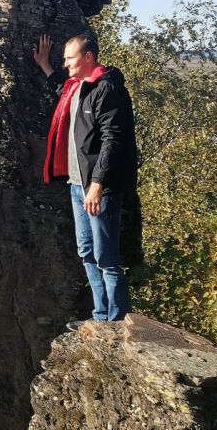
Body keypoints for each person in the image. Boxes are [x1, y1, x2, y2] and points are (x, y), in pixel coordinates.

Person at [33, 30, 139, 323]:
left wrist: (97, 185)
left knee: (107, 258)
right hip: (77, 185)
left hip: (98, 188)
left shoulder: (108, 88)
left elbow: (112, 139)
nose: (66, 64)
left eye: (70, 58)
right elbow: (60, 88)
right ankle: (100, 315)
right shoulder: (78, 87)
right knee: (88, 252)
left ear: (88, 56)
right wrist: (45, 65)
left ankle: (116, 321)